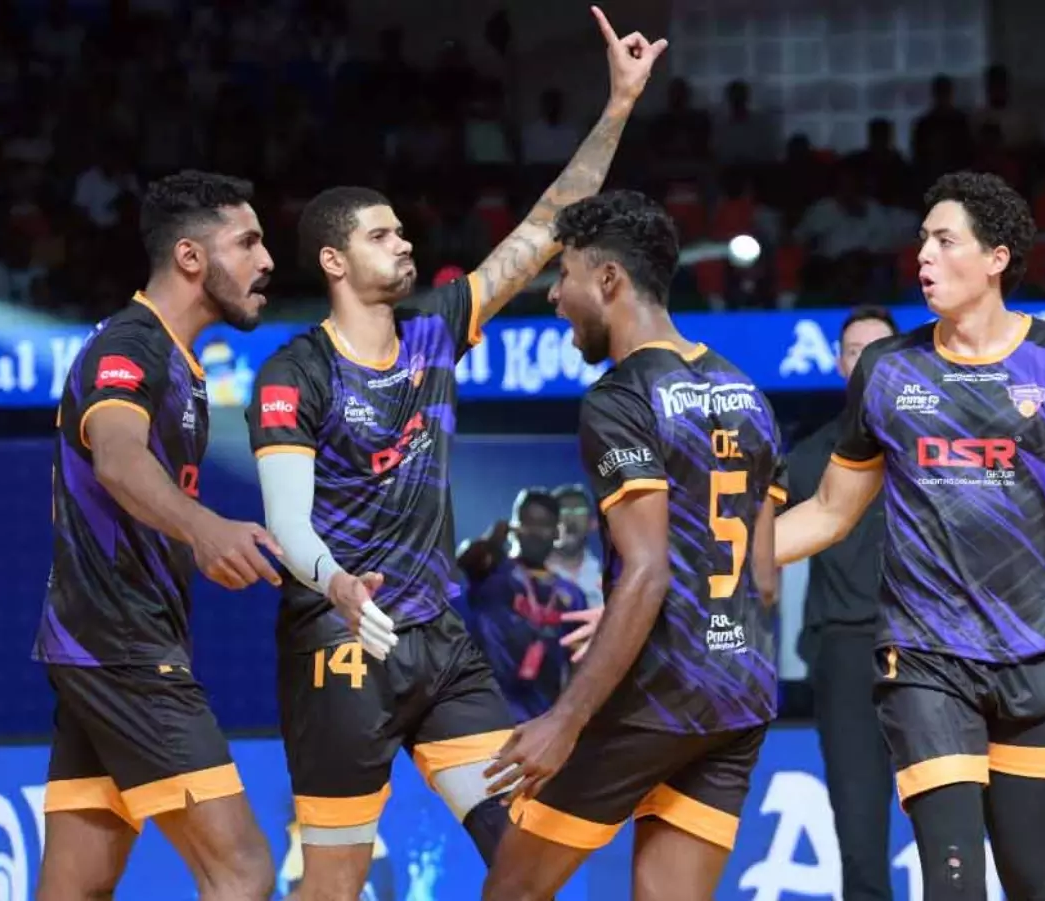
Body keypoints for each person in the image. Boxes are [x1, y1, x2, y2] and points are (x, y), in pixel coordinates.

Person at [243, 9, 665, 896]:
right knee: (335, 883)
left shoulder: (437, 327)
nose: (404, 243)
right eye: (381, 235)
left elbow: (546, 228)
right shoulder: (296, 371)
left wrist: (619, 106)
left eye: (402, 231)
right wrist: (337, 583)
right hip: (340, 642)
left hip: (440, 645)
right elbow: (285, 520)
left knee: (521, 854)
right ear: (333, 260)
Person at [774, 171, 1045, 901]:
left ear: (996, 258)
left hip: (1034, 658)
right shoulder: (889, 370)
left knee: (1036, 885)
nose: (923, 255)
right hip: (925, 661)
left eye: (945, 240)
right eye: (922, 239)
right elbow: (829, 511)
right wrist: (712, 558)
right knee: (953, 884)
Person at [479, 190, 787, 901]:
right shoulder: (747, 393)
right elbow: (764, 577)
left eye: (564, 276)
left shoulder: (620, 399)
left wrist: (566, 718)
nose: (555, 296)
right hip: (738, 694)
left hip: (653, 697)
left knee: (513, 892)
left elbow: (646, 571)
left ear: (608, 279)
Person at [36, 170, 282, 899]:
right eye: (247, 242)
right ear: (190, 257)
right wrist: (203, 529)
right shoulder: (133, 342)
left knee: (78, 886)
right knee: (242, 870)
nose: (267, 260)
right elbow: (116, 458)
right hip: (124, 647)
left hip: (96, 645)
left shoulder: (179, 362)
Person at [785, 304, 898, 901]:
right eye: (856, 351)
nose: (867, 362)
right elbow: (744, 540)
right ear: (839, 363)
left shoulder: (936, 447)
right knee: (859, 823)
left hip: (935, 649)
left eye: (880, 350)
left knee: (953, 819)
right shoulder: (807, 461)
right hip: (848, 654)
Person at [464, 489, 590, 722]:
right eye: (527, 523)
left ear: (556, 532)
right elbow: (465, 561)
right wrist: (492, 540)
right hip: (485, 711)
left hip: (541, 716)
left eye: (544, 525)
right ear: (515, 527)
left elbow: (580, 661)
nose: (535, 532)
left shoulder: (572, 595)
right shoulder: (491, 573)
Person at [550, 483, 605, 607]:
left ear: (593, 523)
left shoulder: (610, 578)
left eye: (580, 511)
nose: (570, 520)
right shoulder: (526, 576)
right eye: (562, 511)